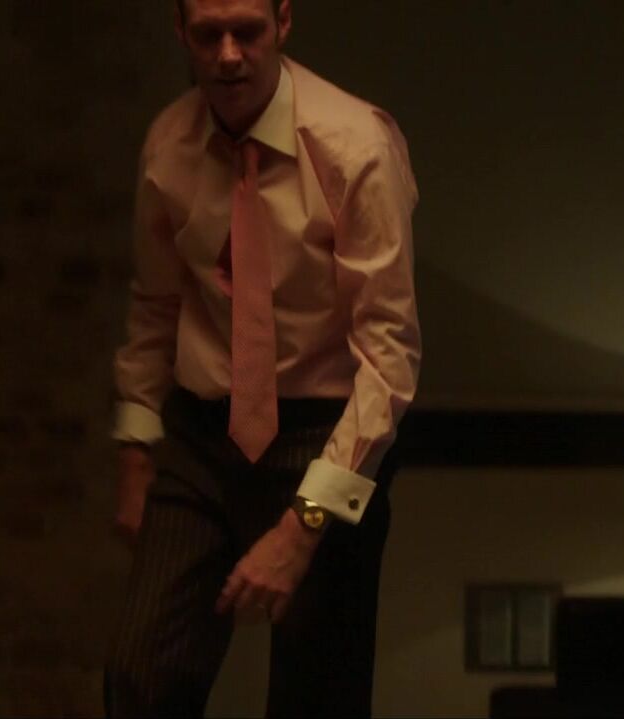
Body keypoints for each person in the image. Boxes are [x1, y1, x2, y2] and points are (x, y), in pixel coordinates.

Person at [104, 0, 420, 715]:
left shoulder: (355, 146)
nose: (227, 55)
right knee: (139, 677)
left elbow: (389, 357)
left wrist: (303, 526)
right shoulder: (169, 144)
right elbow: (155, 308)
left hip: (326, 428)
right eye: (207, 34)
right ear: (180, 33)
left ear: (283, 22)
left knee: (317, 695)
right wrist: (135, 455)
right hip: (203, 433)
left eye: (245, 31)